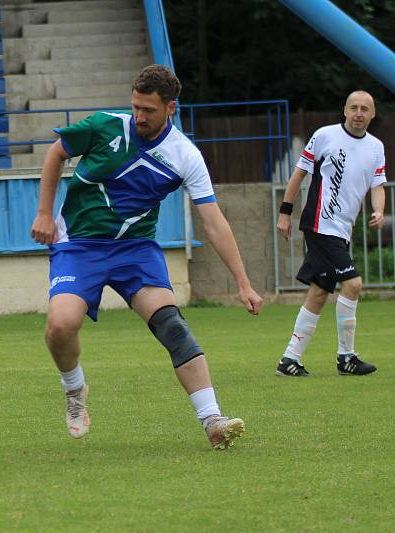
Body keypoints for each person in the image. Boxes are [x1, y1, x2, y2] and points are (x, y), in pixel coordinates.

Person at [29, 64, 263, 450]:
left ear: (171, 107)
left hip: (135, 249)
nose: (139, 116)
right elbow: (57, 152)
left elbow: (214, 222)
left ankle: (212, 421)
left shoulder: (185, 156)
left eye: (148, 110)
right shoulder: (104, 126)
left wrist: (243, 282)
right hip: (80, 244)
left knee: (172, 325)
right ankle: (74, 390)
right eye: (135, 106)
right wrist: (43, 213)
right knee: (60, 326)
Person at [275, 90, 385, 377]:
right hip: (320, 225)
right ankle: (347, 357)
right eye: (354, 108)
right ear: (345, 110)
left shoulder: (376, 147)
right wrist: (285, 211)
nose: (359, 113)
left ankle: (289, 360)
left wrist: (378, 210)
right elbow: (298, 174)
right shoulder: (324, 135)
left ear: (373, 114)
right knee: (354, 284)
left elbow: (377, 185)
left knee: (319, 292)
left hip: (342, 231)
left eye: (365, 109)